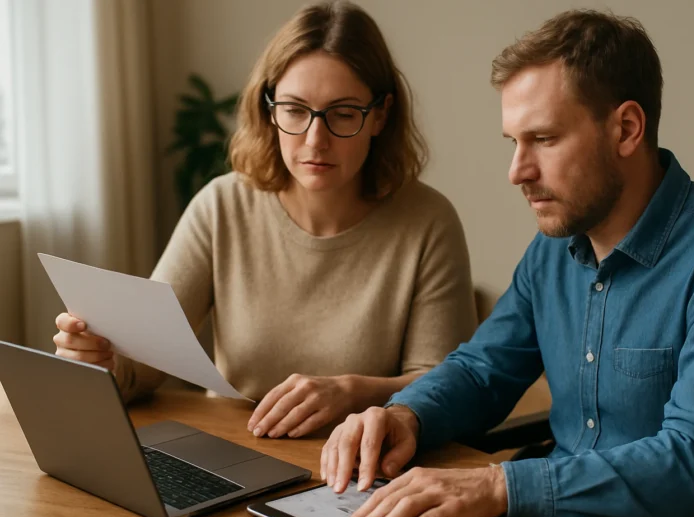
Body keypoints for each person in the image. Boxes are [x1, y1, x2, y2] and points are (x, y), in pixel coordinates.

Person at [319, 9, 694, 517]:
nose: (517, 170)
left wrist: (500, 486)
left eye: (543, 139)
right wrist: (406, 416)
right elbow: (483, 371)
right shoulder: (556, 247)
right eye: (514, 141)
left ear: (626, 128)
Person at [51, 0, 477, 440]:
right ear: (269, 109)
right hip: (233, 451)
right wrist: (95, 359)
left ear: (381, 115)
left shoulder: (428, 222)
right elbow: (141, 367)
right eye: (294, 110)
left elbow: (447, 388)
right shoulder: (221, 207)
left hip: (362, 470)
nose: (316, 140)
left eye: (343, 114)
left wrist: (352, 392)